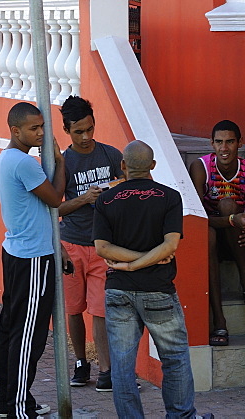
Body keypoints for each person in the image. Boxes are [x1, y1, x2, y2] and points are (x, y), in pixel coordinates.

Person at [94, 141, 211, 419]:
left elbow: (103, 248)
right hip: (158, 290)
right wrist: (144, 261)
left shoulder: (105, 200)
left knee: (121, 367)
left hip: (118, 290)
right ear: (153, 166)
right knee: (175, 359)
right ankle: (182, 416)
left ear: (122, 166)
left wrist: (130, 265)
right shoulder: (169, 197)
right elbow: (170, 246)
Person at [0, 102, 65, 419]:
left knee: (12, 331)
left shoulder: (7, 158)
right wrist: (60, 162)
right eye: (34, 128)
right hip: (33, 259)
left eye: (42, 127)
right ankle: (19, 409)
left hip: (17, 253)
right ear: (15, 130)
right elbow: (55, 199)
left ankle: (9, 402)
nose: (41, 133)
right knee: (29, 337)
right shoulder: (24, 164)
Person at [188, 120, 245, 346]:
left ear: (240, 143)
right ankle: (219, 318)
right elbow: (197, 219)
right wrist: (229, 220)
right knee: (209, 231)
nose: (224, 148)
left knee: (228, 204)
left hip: (238, 241)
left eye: (230, 142)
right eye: (219, 142)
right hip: (211, 238)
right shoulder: (200, 168)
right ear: (211, 143)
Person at [57, 96, 122, 391]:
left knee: (100, 309)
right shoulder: (62, 162)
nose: (85, 137)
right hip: (71, 244)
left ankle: (105, 369)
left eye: (89, 129)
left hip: (101, 245)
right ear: (66, 131)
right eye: (78, 132)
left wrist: (117, 188)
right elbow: (53, 209)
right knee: (74, 308)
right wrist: (84, 199)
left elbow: (129, 190)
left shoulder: (110, 155)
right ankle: (81, 362)